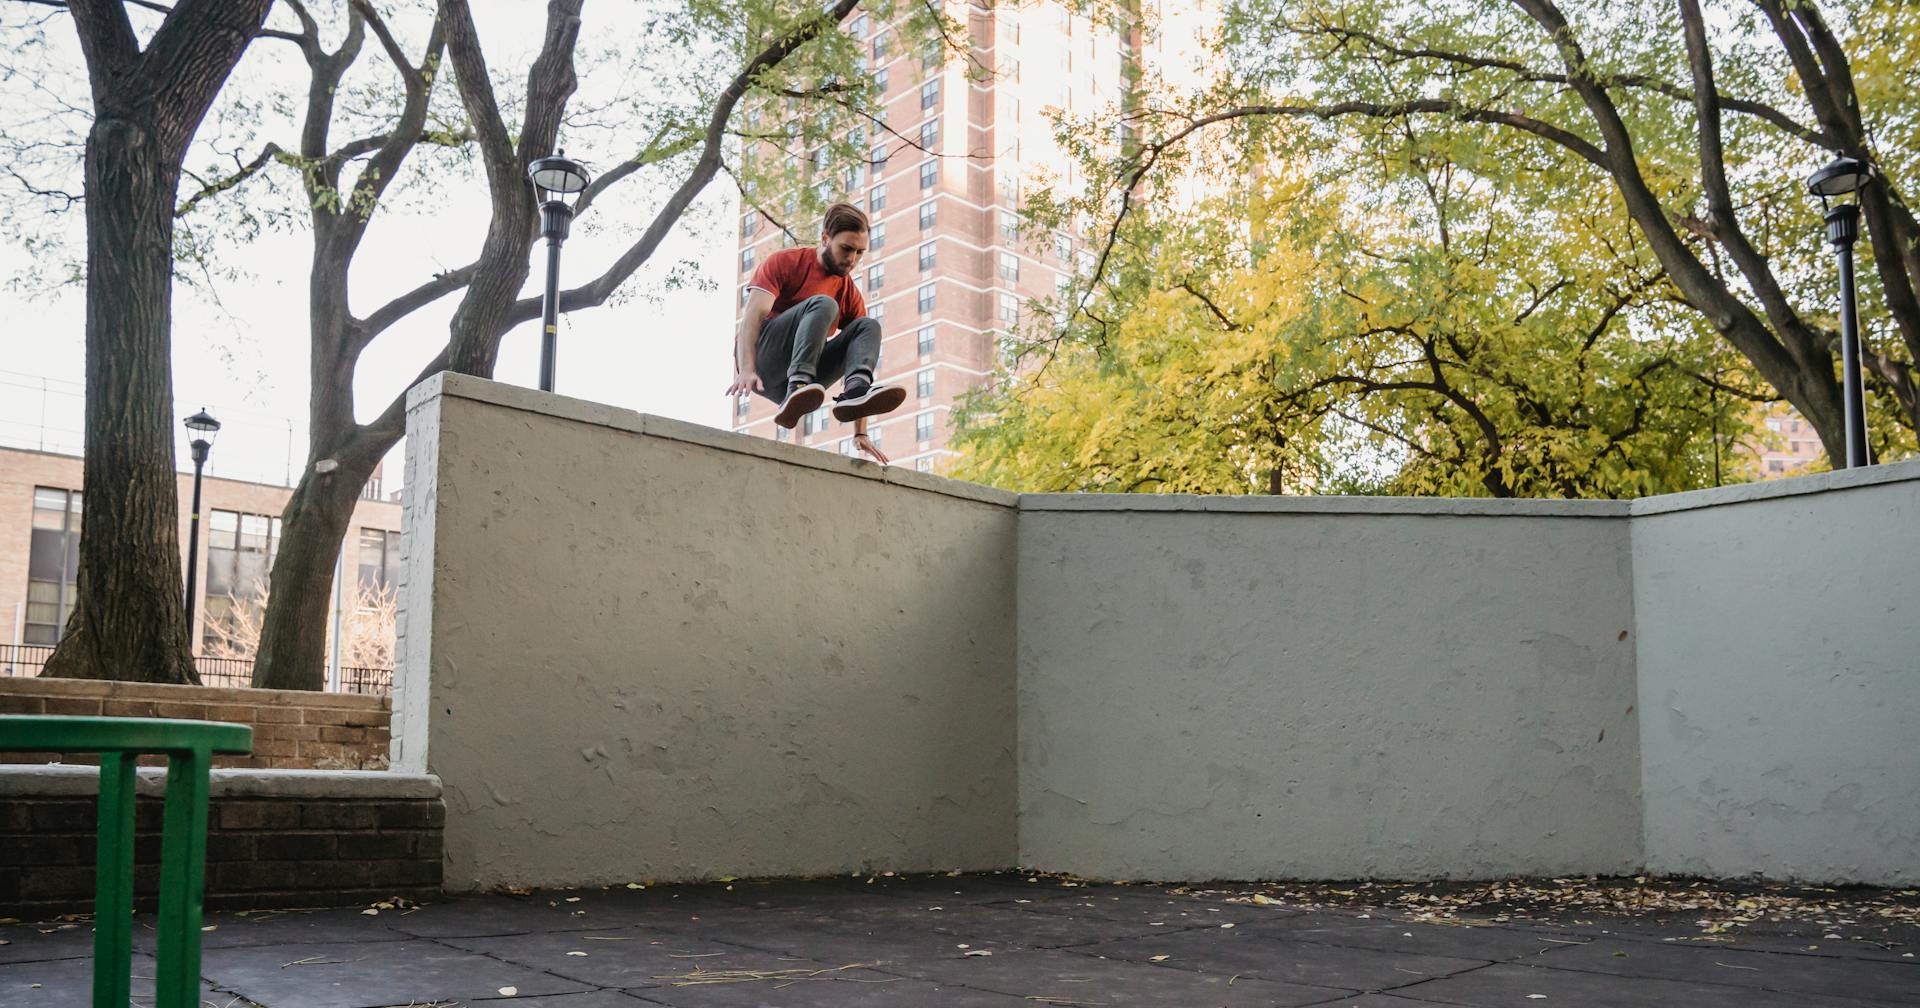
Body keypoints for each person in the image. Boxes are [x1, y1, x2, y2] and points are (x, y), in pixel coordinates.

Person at [728, 202, 906, 462]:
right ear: (825, 237)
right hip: (763, 364)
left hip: (807, 382)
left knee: (867, 326)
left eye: (859, 252)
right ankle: (797, 385)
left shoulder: (849, 293)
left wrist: (861, 433)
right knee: (824, 304)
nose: (852, 260)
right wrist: (746, 367)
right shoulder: (786, 262)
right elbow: (752, 317)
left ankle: (855, 391)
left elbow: (857, 351)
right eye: (846, 249)